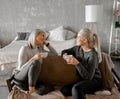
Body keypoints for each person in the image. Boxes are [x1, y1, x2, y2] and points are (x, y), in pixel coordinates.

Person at [60, 28, 102, 99]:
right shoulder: (77, 49)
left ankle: (91, 90)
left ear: (85, 40)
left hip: (94, 81)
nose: (76, 38)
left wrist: (77, 63)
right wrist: (65, 56)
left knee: (75, 89)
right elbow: (63, 51)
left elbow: (89, 77)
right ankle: (86, 92)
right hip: (83, 80)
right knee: (64, 90)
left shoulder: (92, 55)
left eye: (78, 37)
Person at [13, 29, 57, 94]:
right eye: (42, 35)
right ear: (35, 36)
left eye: (44, 36)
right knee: (36, 62)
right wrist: (33, 58)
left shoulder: (40, 50)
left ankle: (28, 90)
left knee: (50, 87)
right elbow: (20, 68)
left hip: (32, 80)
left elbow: (55, 54)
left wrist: (47, 44)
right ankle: (31, 90)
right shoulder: (25, 48)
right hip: (21, 79)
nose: (44, 38)